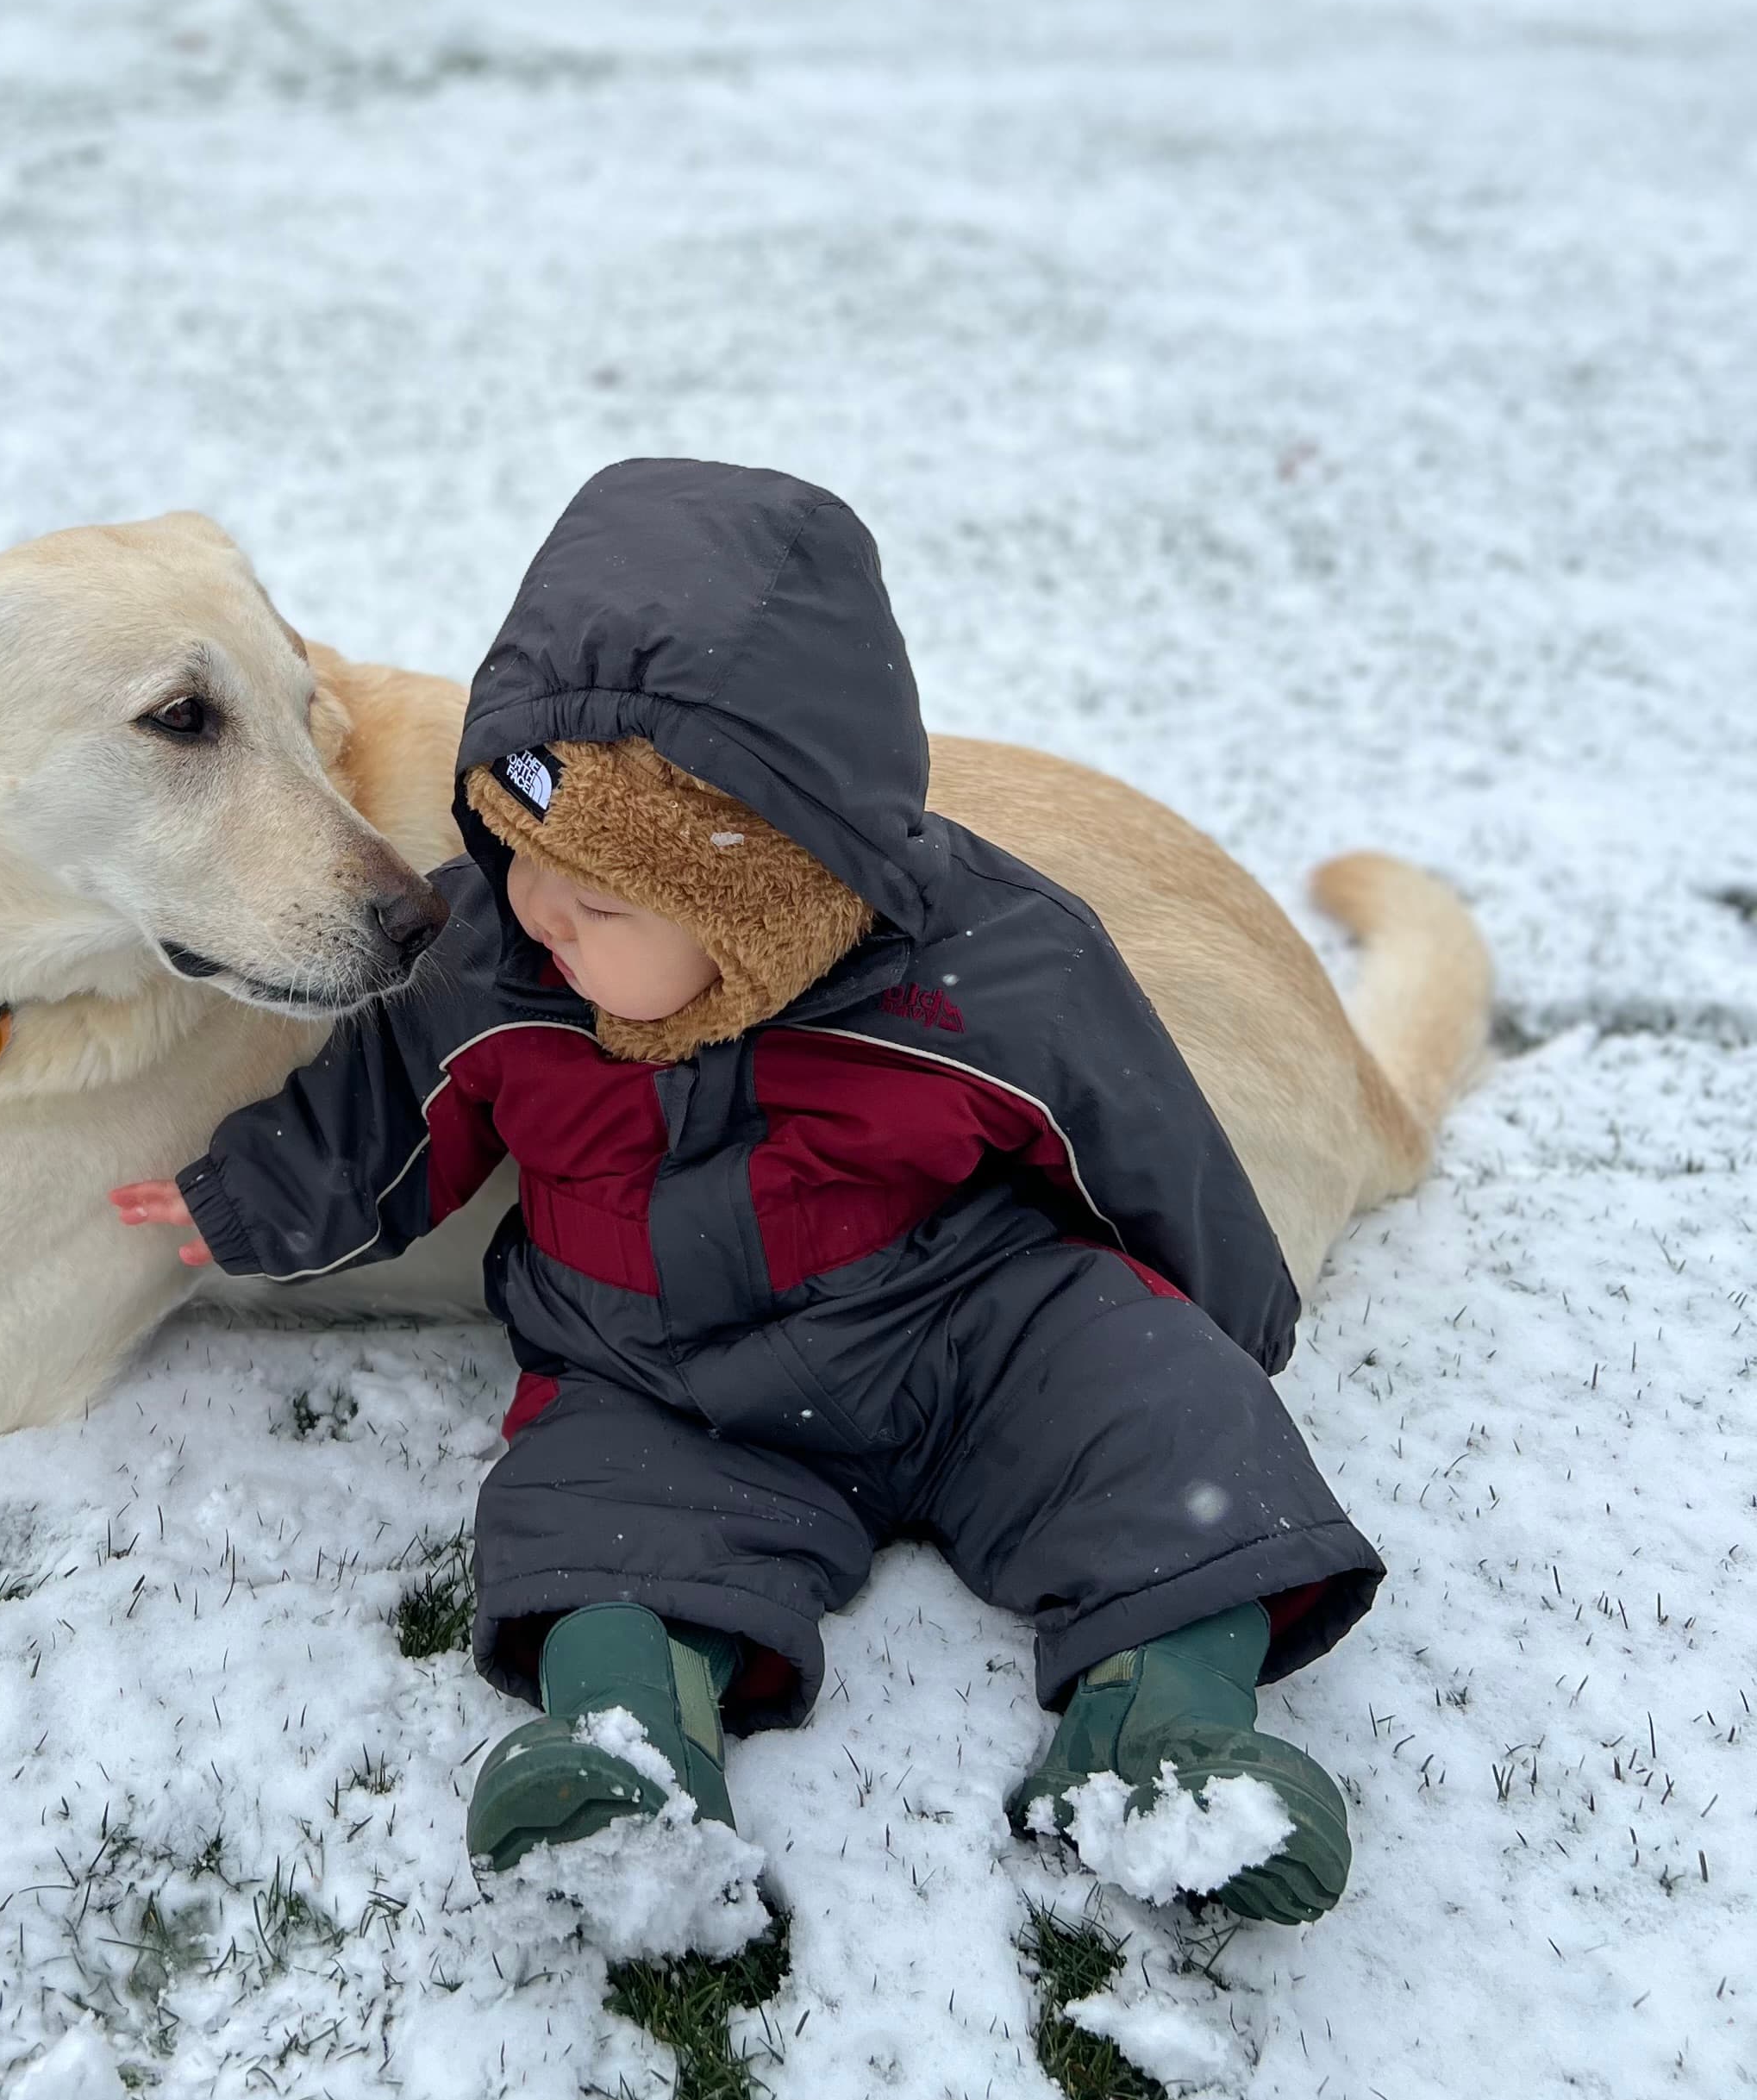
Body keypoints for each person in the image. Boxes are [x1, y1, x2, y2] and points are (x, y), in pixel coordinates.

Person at [110, 459, 1379, 1924]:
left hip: (967, 1324)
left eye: (597, 899)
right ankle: (625, 1752)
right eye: (519, 858)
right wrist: (254, 1197)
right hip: (657, 1364)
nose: (535, 915)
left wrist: (1214, 1331)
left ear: (760, 893)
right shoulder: (504, 969)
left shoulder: (993, 966)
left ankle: (1172, 1730)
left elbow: (1137, 1132)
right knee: (591, 1521)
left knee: (1165, 1417)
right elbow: (390, 1103)